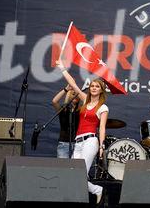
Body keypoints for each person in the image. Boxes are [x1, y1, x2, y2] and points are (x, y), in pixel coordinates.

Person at [56, 60, 108, 204]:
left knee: (79, 175)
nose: (93, 88)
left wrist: (102, 146)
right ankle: (98, 190)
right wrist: (62, 68)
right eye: (92, 86)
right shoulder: (85, 101)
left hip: (91, 141)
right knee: (73, 174)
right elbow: (73, 84)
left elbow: (102, 127)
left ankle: (97, 191)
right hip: (78, 142)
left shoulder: (103, 107)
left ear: (101, 90)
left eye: (97, 86)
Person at [51, 84, 80, 158]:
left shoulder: (80, 111)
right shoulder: (63, 109)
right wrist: (66, 89)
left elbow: (88, 103)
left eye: (77, 94)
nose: (75, 96)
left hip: (77, 144)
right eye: (73, 94)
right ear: (68, 95)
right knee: (63, 167)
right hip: (63, 143)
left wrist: (79, 92)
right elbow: (54, 101)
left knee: (76, 167)